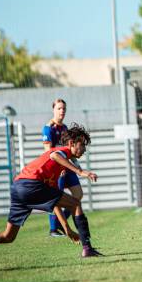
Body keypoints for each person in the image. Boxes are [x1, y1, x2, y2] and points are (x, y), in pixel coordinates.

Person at [0, 123, 102, 265]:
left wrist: (66, 228)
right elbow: (54, 156)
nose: (84, 150)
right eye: (82, 145)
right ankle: (87, 248)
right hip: (30, 184)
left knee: (8, 236)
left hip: (18, 187)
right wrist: (80, 171)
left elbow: (54, 202)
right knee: (75, 203)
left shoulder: (57, 168)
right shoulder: (60, 151)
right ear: (71, 143)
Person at [42, 98, 84, 237]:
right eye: (59, 108)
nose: (62, 111)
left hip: (68, 167)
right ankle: (54, 229)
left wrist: (76, 165)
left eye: (64, 108)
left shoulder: (65, 128)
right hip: (57, 169)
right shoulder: (48, 128)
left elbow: (69, 149)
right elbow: (49, 152)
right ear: (53, 109)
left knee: (78, 195)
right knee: (56, 198)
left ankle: (61, 221)